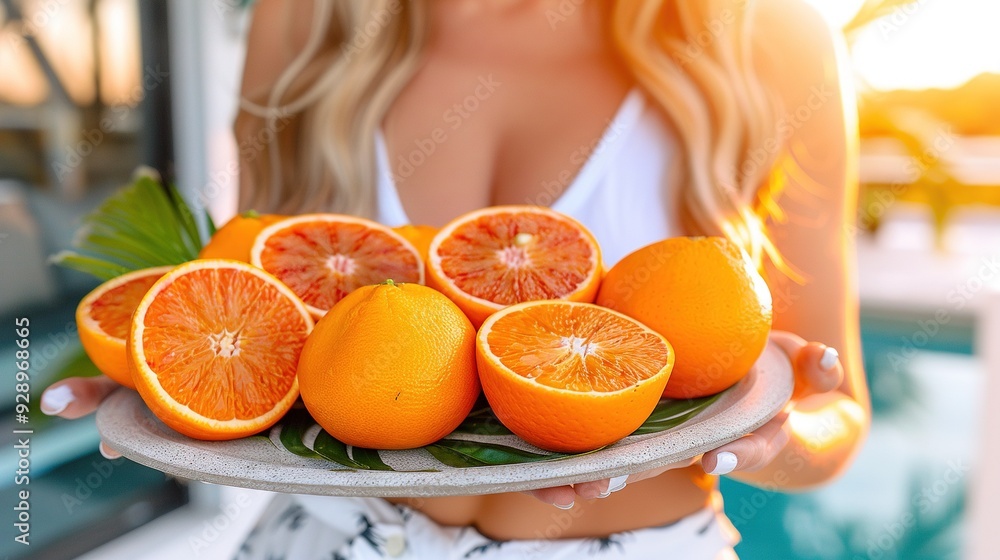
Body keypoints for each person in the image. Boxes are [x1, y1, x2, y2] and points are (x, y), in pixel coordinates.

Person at [41, 0, 870, 558]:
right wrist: (169, 387)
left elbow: (838, 414)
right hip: (330, 535)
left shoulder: (764, 36)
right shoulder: (311, 19)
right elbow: (271, 305)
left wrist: (773, 442)